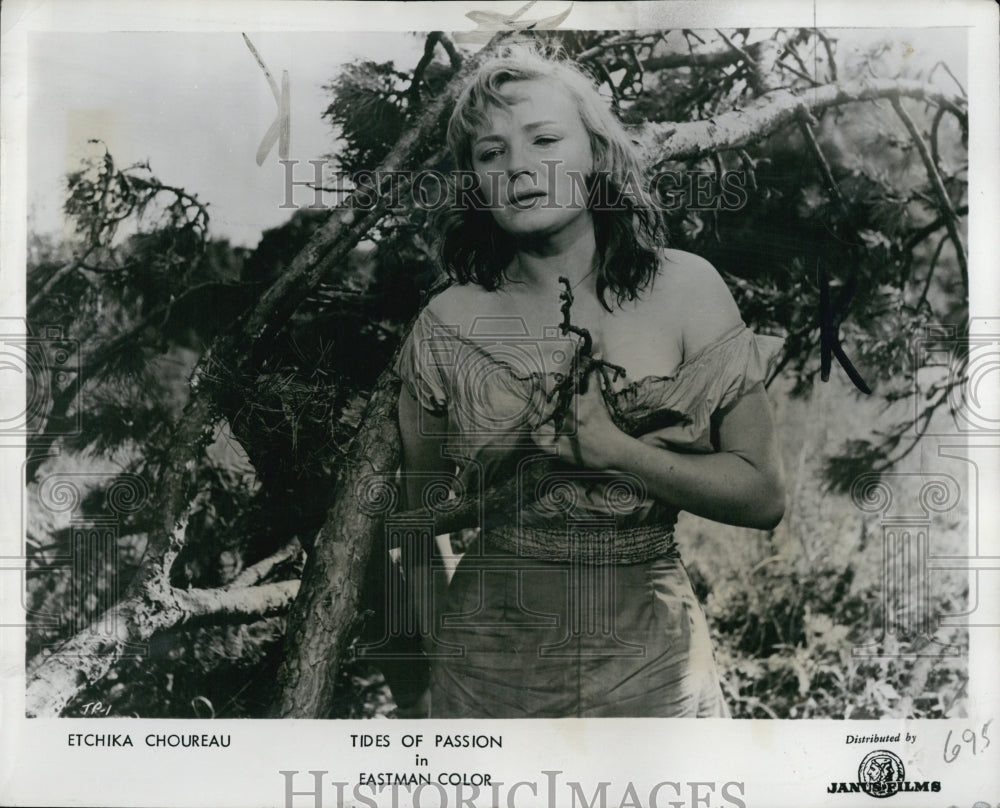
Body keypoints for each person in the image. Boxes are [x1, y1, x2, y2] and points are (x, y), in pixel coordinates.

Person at [392, 46, 785, 718]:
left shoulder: (687, 289)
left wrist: (612, 449)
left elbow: (762, 496)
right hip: (486, 664)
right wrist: (419, 680)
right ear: (475, 185)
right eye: (491, 154)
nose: (518, 166)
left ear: (598, 155)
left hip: (653, 661)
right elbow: (411, 523)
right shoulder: (447, 323)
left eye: (544, 139)